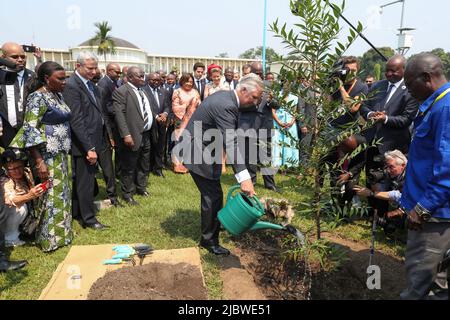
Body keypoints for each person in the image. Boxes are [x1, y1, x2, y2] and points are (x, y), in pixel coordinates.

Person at [181, 74, 261, 255]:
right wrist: (245, 178)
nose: (256, 103)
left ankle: (215, 226)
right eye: (254, 97)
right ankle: (209, 241)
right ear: (242, 90)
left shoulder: (226, 96)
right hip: (198, 152)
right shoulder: (226, 105)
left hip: (207, 148)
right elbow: (231, 142)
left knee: (214, 194)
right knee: (212, 196)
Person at [399, 53, 450, 300]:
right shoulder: (437, 103)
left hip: (434, 216)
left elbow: (447, 169)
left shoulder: (446, 108)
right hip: (434, 211)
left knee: (418, 281)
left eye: (409, 84)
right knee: (437, 283)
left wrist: (423, 208)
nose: (408, 91)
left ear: (427, 78)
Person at [10, 61, 74, 250]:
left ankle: (63, 234)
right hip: (45, 156)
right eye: (60, 78)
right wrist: (39, 162)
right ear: (47, 78)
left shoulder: (56, 94)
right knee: (50, 196)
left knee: (61, 195)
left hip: (60, 153)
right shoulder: (37, 98)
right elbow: (29, 129)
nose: (65, 82)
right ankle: (49, 239)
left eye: (65, 78)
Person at [361, 55, 419, 217]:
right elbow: (363, 106)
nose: (389, 74)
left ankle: (387, 216)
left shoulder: (410, 91)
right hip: (373, 141)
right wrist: (372, 114)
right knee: (372, 177)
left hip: (394, 145)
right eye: (387, 70)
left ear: (403, 70)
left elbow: (407, 119)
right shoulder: (377, 86)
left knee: (390, 181)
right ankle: (372, 212)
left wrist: (385, 118)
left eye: (393, 71)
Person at [63, 52, 108, 230]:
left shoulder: (91, 85)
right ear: (78, 65)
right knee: (85, 182)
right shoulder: (72, 86)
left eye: (95, 67)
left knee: (86, 181)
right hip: (83, 144)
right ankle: (89, 219)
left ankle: (79, 212)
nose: (94, 71)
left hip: (95, 140)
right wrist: (89, 147)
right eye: (90, 68)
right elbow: (76, 120)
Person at [113, 67, 156, 206]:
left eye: (143, 76)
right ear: (130, 77)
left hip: (146, 134)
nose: (143, 78)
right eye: (140, 76)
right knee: (129, 166)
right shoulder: (122, 92)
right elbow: (119, 116)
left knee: (144, 163)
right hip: (132, 135)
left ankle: (141, 188)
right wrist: (126, 134)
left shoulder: (142, 92)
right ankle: (127, 193)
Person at [238, 62, 280, 192]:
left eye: (260, 73)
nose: (258, 76)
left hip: (265, 126)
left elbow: (277, 105)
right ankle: (252, 181)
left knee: (265, 157)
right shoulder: (244, 86)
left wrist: (270, 100)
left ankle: (269, 183)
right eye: (256, 73)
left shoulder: (270, 86)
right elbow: (239, 105)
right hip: (248, 125)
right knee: (250, 157)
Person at [0, 149, 45, 247]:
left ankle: (20, 231)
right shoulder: (5, 181)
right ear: (6, 170)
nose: (17, 171)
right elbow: (10, 201)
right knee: (21, 207)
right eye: (12, 168)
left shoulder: (27, 173)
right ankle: (9, 238)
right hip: (5, 218)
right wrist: (29, 196)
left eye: (19, 166)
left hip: (24, 216)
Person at [0, 42, 35, 147]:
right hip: (4, 133)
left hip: (28, 134)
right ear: (3, 57)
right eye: (14, 57)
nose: (20, 59)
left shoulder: (33, 77)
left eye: (23, 57)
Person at [97, 63, 122, 207]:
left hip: (112, 126)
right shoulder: (103, 84)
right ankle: (112, 195)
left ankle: (112, 193)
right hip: (105, 129)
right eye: (116, 72)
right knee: (107, 166)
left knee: (108, 165)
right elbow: (104, 110)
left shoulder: (113, 83)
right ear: (109, 71)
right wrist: (110, 135)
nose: (119, 75)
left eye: (119, 73)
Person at [171, 73, 200, 174]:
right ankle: (177, 165)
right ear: (182, 81)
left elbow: (198, 104)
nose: (189, 83)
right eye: (187, 81)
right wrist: (187, 105)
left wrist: (194, 106)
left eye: (191, 82)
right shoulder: (177, 92)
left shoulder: (195, 92)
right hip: (181, 119)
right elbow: (175, 107)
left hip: (193, 119)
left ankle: (186, 164)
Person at [144, 72, 171, 178]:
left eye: (158, 80)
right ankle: (148, 168)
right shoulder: (143, 91)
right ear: (148, 80)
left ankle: (158, 168)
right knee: (149, 147)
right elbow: (146, 108)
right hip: (150, 123)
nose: (156, 82)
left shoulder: (164, 91)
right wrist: (156, 117)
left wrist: (165, 114)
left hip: (162, 123)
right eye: (153, 80)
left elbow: (167, 106)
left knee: (160, 146)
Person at [272, 90, 299, 168]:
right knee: (277, 142)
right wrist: (279, 122)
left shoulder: (295, 97)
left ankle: (289, 165)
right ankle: (277, 164)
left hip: (290, 124)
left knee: (290, 142)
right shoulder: (276, 95)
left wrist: (292, 122)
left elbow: (295, 112)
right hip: (277, 122)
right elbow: (273, 111)